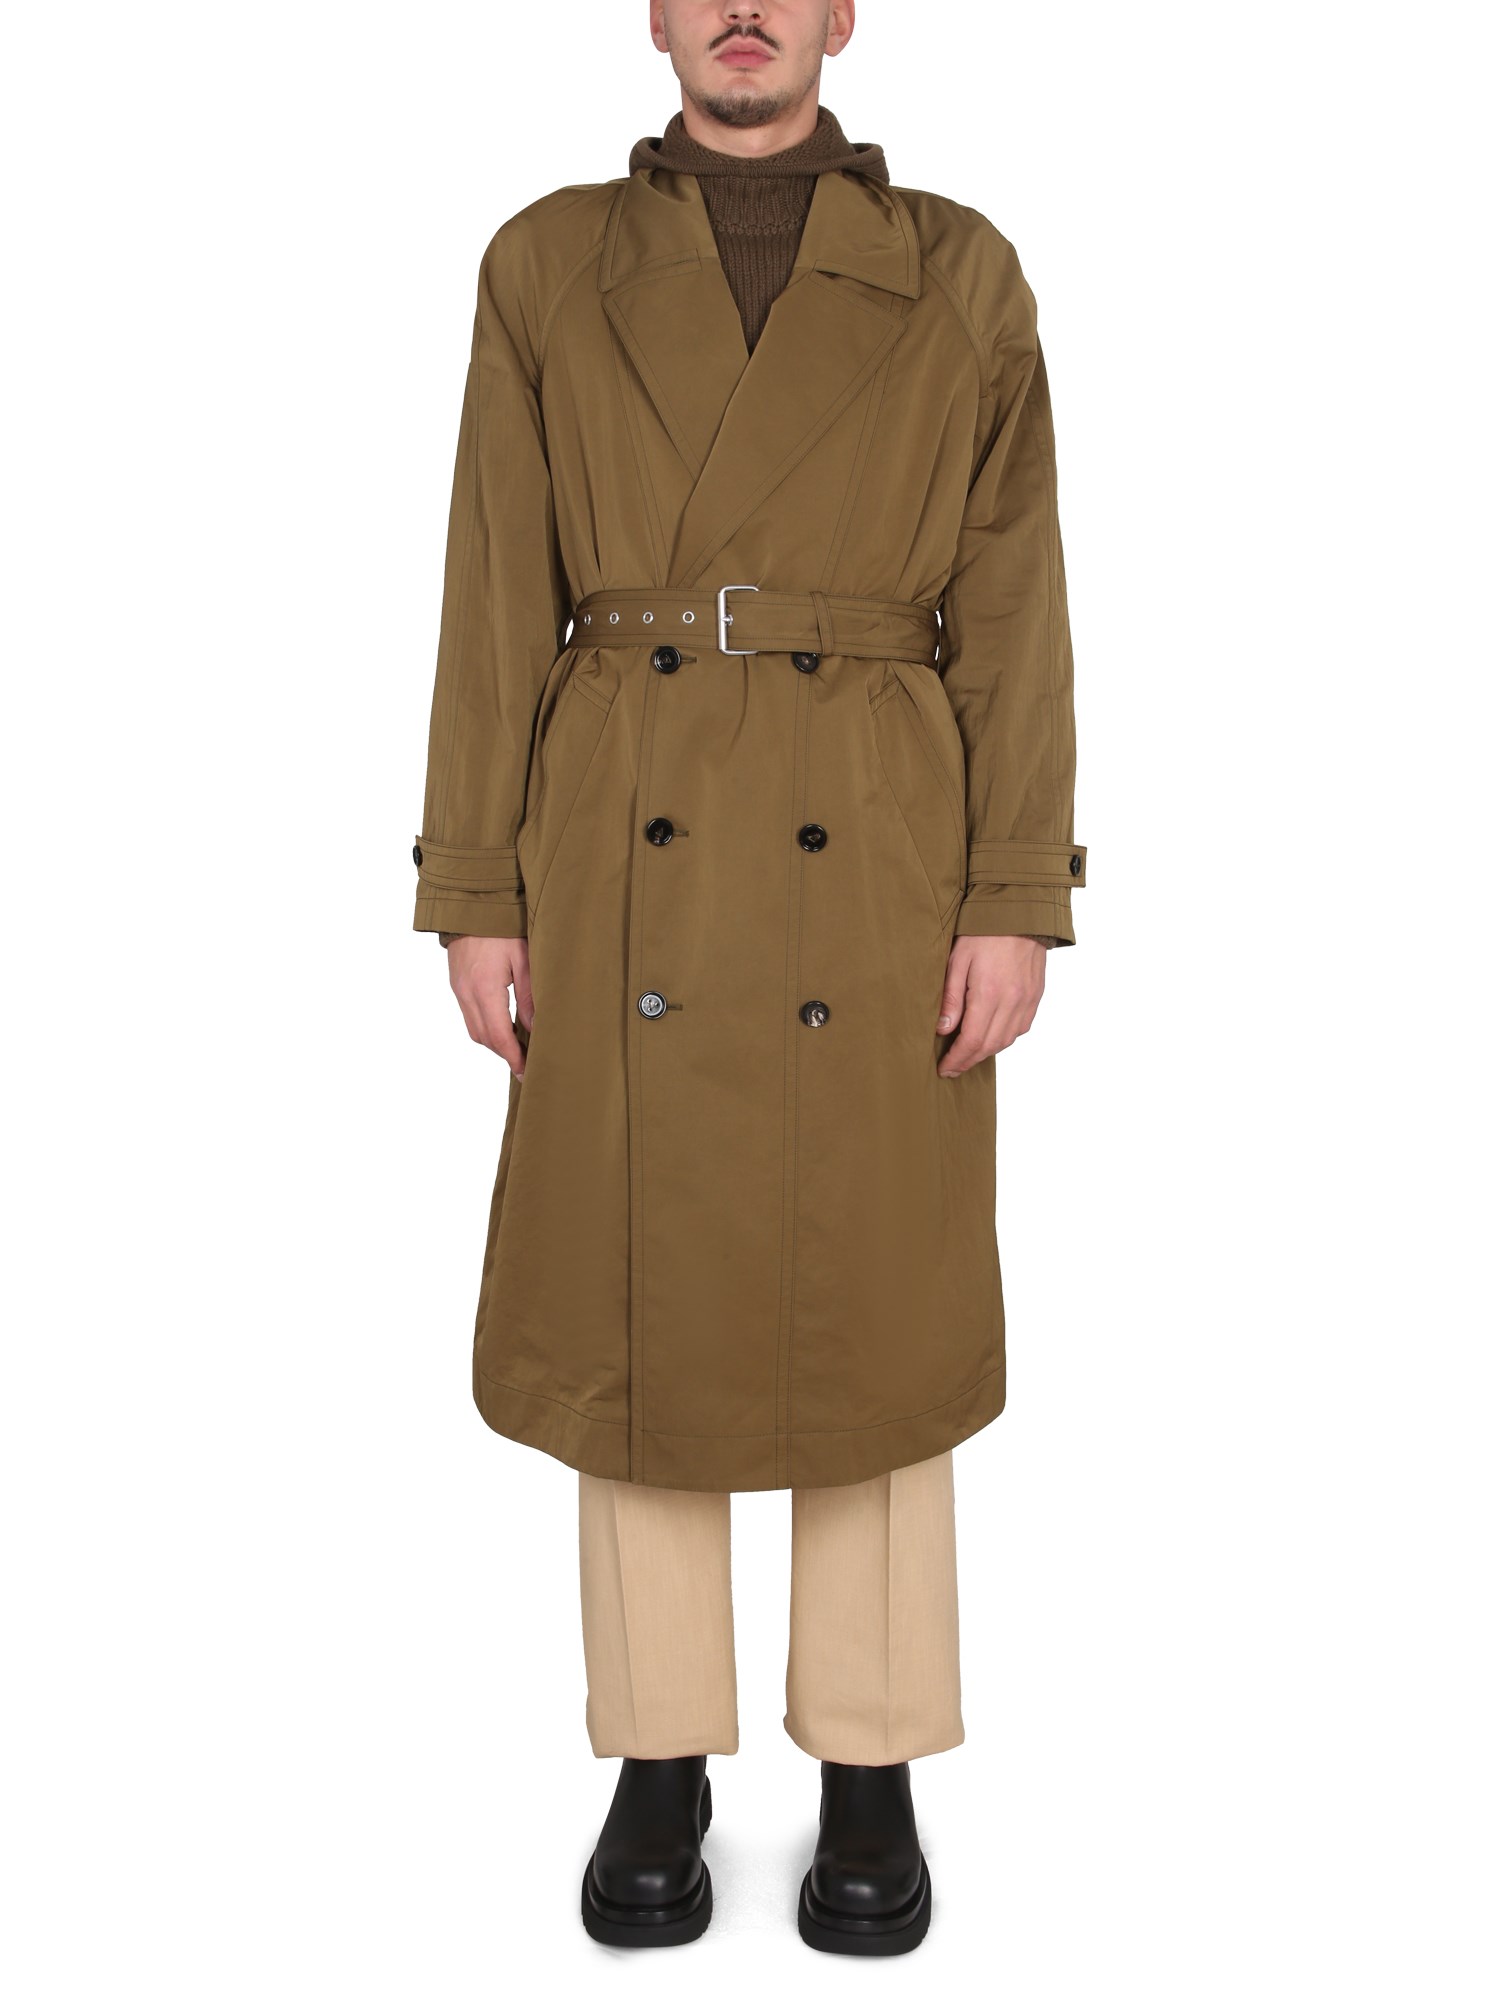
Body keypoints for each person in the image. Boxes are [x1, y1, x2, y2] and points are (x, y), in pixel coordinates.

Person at [411, 0, 1085, 1955]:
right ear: (653, 11)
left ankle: (872, 1758)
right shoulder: (547, 262)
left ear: (841, 13)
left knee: (873, 1294)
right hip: (617, 836)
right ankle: (658, 1750)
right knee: (638, 1295)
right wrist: (475, 883)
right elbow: (491, 583)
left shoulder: (961, 270)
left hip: (871, 838)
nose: (743, 8)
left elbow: (1017, 596)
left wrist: (1013, 889)